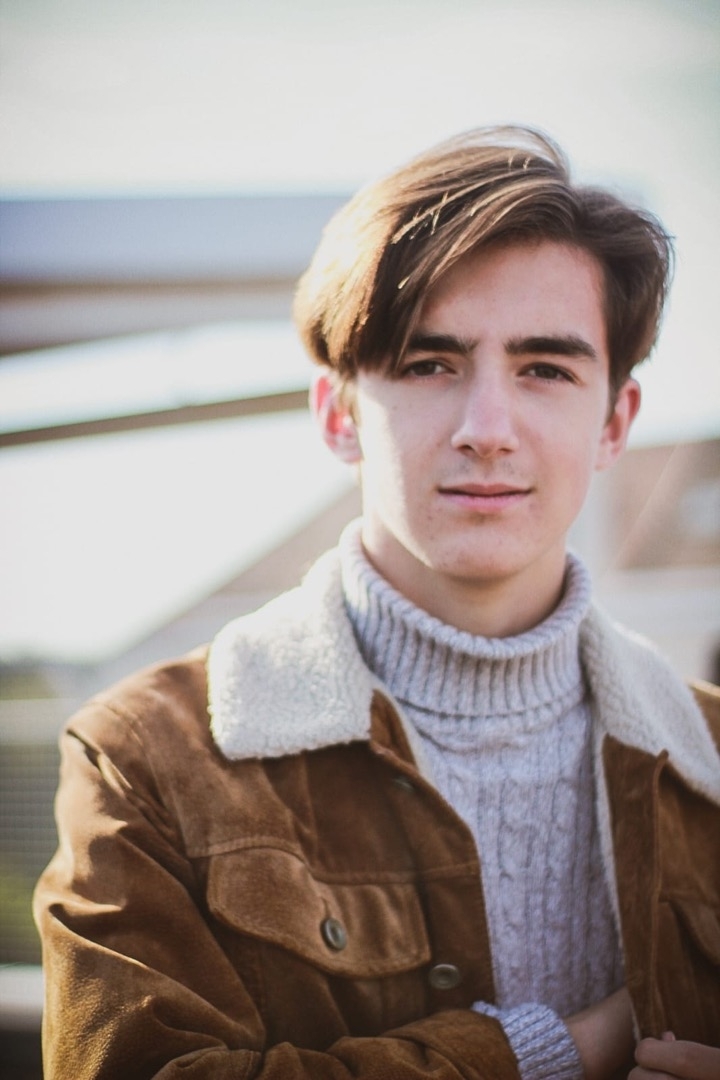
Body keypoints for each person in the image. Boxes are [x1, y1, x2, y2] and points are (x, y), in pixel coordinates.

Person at [34, 126, 720, 1079]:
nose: (488, 429)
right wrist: (555, 1053)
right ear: (337, 414)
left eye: (546, 368)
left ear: (614, 423)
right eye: (429, 364)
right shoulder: (147, 756)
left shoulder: (711, 757)